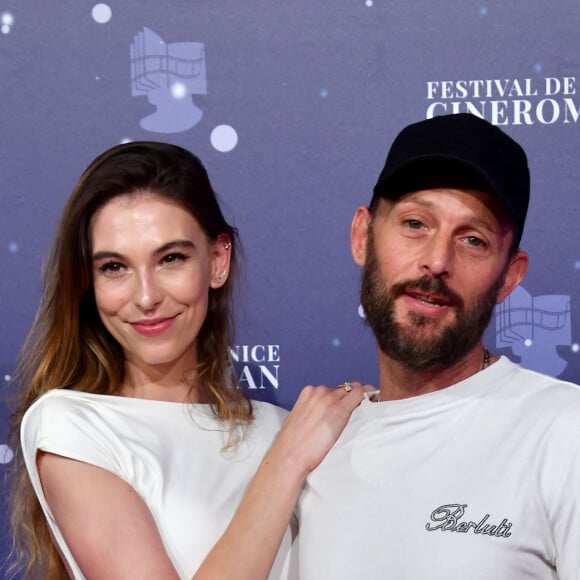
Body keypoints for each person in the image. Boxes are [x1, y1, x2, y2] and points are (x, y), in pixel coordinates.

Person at [8, 141, 368, 579]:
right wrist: (287, 461)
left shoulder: (281, 427)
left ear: (217, 261)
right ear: (89, 281)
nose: (146, 297)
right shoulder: (73, 428)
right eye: (114, 267)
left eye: (170, 259)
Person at [296, 113, 580, 579]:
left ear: (509, 276)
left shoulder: (564, 434)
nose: (436, 261)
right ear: (362, 236)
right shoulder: (309, 447)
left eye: (472, 239)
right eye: (414, 223)